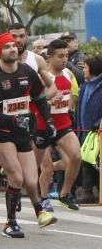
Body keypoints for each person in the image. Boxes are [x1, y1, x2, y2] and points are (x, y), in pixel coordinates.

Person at [0, 32, 57, 237]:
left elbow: (40, 98)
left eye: (14, 46)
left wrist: (49, 121)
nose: (12, 49)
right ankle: (10, 223)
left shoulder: (27, 71)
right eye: (7, 47)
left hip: (23, 131)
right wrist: (13, 120)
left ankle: (39, 212)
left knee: (31, 181)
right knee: (16, 177)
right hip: (0, 131)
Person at [33, 39, 82, 211]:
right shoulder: (44, 77)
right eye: (60, 56)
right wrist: (50, 99)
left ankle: (64, 194)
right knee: (46, 169)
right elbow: (34, 101)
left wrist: (68, 106)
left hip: (63, 124)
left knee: (76, 157)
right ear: (50, 58)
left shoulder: (69, 73)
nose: (64, 59)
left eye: (66, 56)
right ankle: (44, 198)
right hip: (43, 125)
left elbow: (73, 93)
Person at [76, 56, 102, 204]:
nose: (83, 70)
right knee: (86, 159)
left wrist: (98, 123)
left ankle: (91, 190)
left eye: (85, 67)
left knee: (95, 161)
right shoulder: (85, 85)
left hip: (97, 131)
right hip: (84, 130)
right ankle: (87, 190)